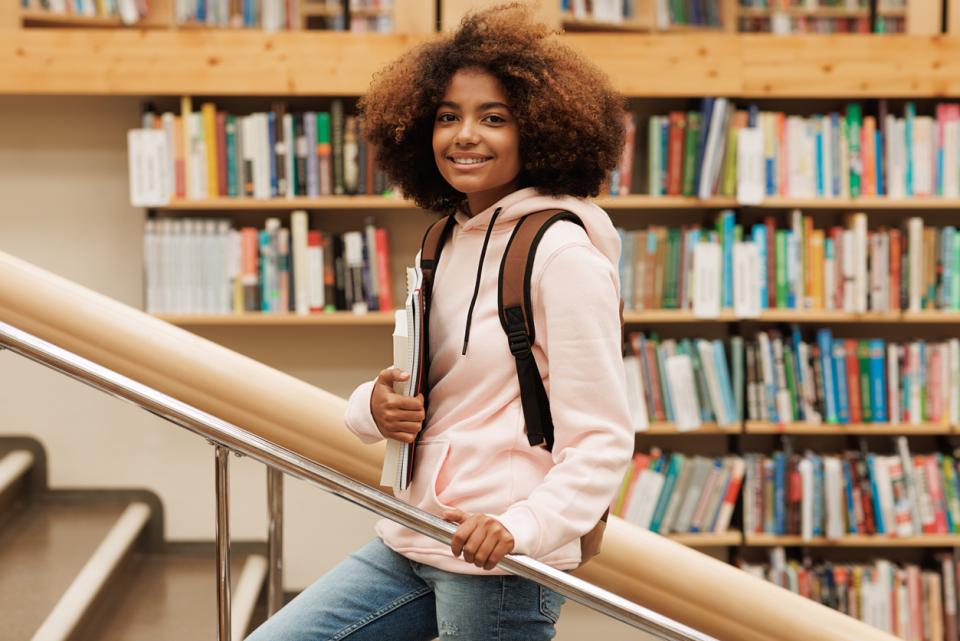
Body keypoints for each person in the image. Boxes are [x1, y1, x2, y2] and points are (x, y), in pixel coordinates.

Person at [246, 3, 633, 639]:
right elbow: (433, 385)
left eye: (494, 118)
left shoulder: (563, 256)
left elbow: (603, 437)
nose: (464, 135)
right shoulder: (443, 241)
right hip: (414, 535)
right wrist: (371, 408)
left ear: (538, 130)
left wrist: (521, 526)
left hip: (499, 561)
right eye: (448, 116)